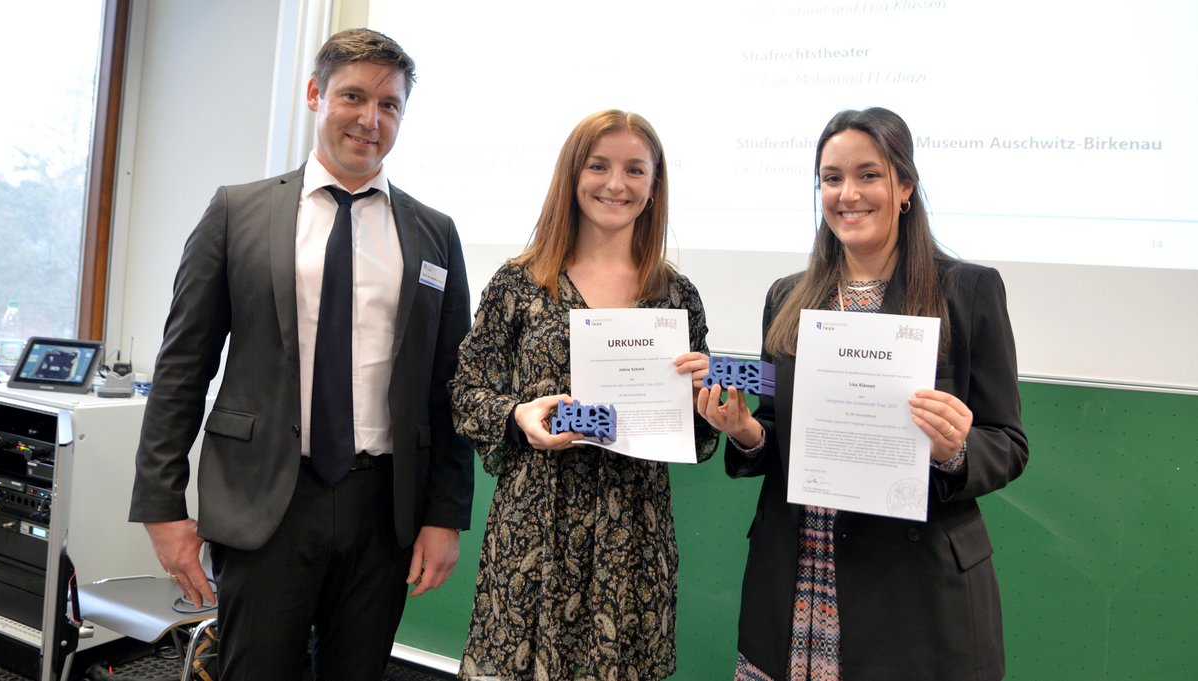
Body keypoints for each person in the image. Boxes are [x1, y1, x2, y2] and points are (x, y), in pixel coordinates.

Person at [128, 28, 473, 681]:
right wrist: (162, 504)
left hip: (384, 510)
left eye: (390, 104)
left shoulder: (434, 233)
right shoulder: (238, 213)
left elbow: (449, 387)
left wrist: (444, 516)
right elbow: (182, 369)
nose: (370, 119)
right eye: (353, 96)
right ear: (316, 93)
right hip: (265, 502)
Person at [698, 107, 1028, 681]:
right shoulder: (788, 298)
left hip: (912, 593)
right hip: (797, 579)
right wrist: (746, 431)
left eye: (869, 175)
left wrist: (953, 448)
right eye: (831, 178)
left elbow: (1008, 443)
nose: (848, 194)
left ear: (904, 186)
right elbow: (774, 424)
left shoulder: (967, 291)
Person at [449, 109, 717, 680]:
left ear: (654, 185)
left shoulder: (677, 295)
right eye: (599, 166)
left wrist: (703, 403)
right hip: (533, 529)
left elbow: (698, 438)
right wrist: (518, 414)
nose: (616, 184)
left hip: (633, 534)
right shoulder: (519, 281)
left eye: (634, 170)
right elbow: (466, 391)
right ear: (573, 175)